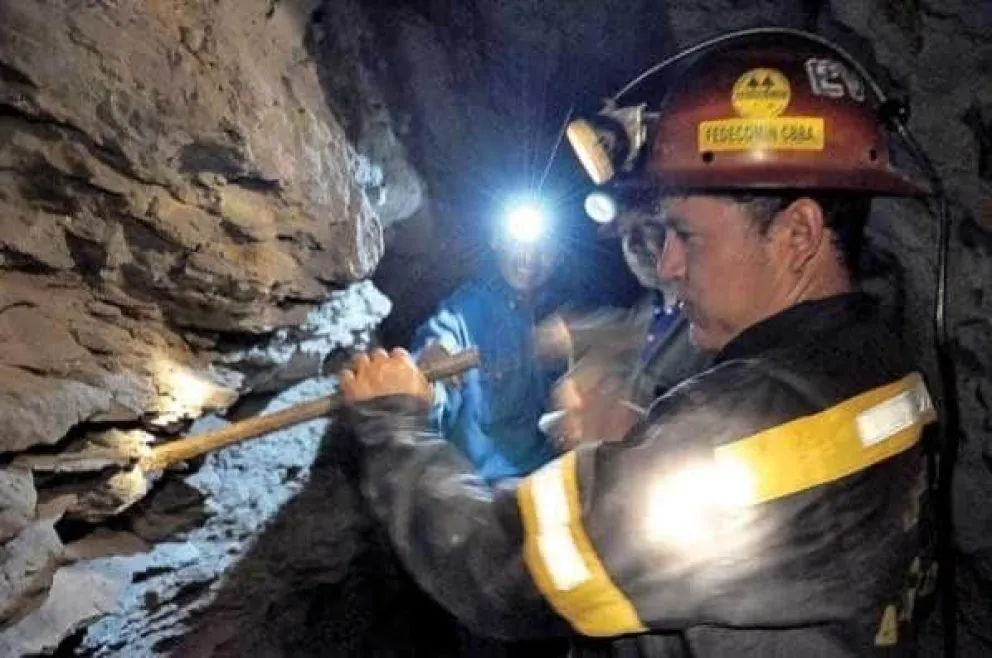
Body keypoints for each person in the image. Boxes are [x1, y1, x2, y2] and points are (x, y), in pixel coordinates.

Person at [338, 32, 938, 657]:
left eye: (687, 235)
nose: (669, 265)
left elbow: (498, 571)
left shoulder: (744, 424)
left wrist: (393, 426)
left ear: (797, 234)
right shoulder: (880, 364)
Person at [408, 204, 563, 484]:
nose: (530, 256)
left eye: (546, 247)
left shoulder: (563, 314)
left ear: (560, 256)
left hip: (549, 477)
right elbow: (439, 346)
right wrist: (430, 374)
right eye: (520, 242)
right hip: (481, 489)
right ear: (496, 239)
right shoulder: (468, 310)